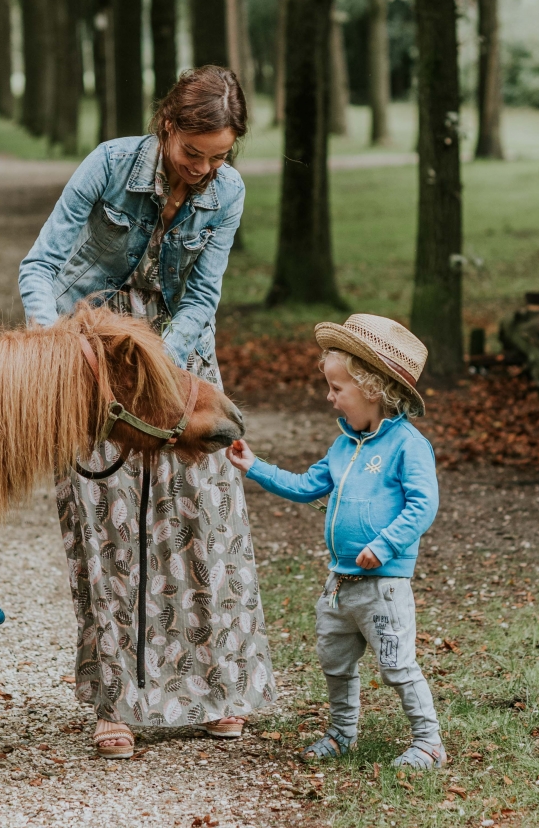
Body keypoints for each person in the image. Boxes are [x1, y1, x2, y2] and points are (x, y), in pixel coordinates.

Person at [19, 67, 275, 759]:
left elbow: (202, 299)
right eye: (194, 153)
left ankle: (219, 692)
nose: (205, 169)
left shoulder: (226, 192)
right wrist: (58, 346)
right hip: (92, 358)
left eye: (220, 156)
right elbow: (38, 268)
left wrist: (160, 362)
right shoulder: (107, 165)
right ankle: (116, 704)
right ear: (167, 124)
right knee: (105, 527)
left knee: (201, 520)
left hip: (177, 359)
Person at [227, 313, 445, 770]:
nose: (330, 398)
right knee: (335, 662)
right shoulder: (344, 445)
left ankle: (428, 742)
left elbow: (422, 506)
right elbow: (307, 485)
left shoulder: (408, 445)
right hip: (340, 583)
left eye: (336, 388)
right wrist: (254, 465)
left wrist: (384, 546)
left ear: (372, 388)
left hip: (382, 585)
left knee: (398, 666)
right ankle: (342, 733)